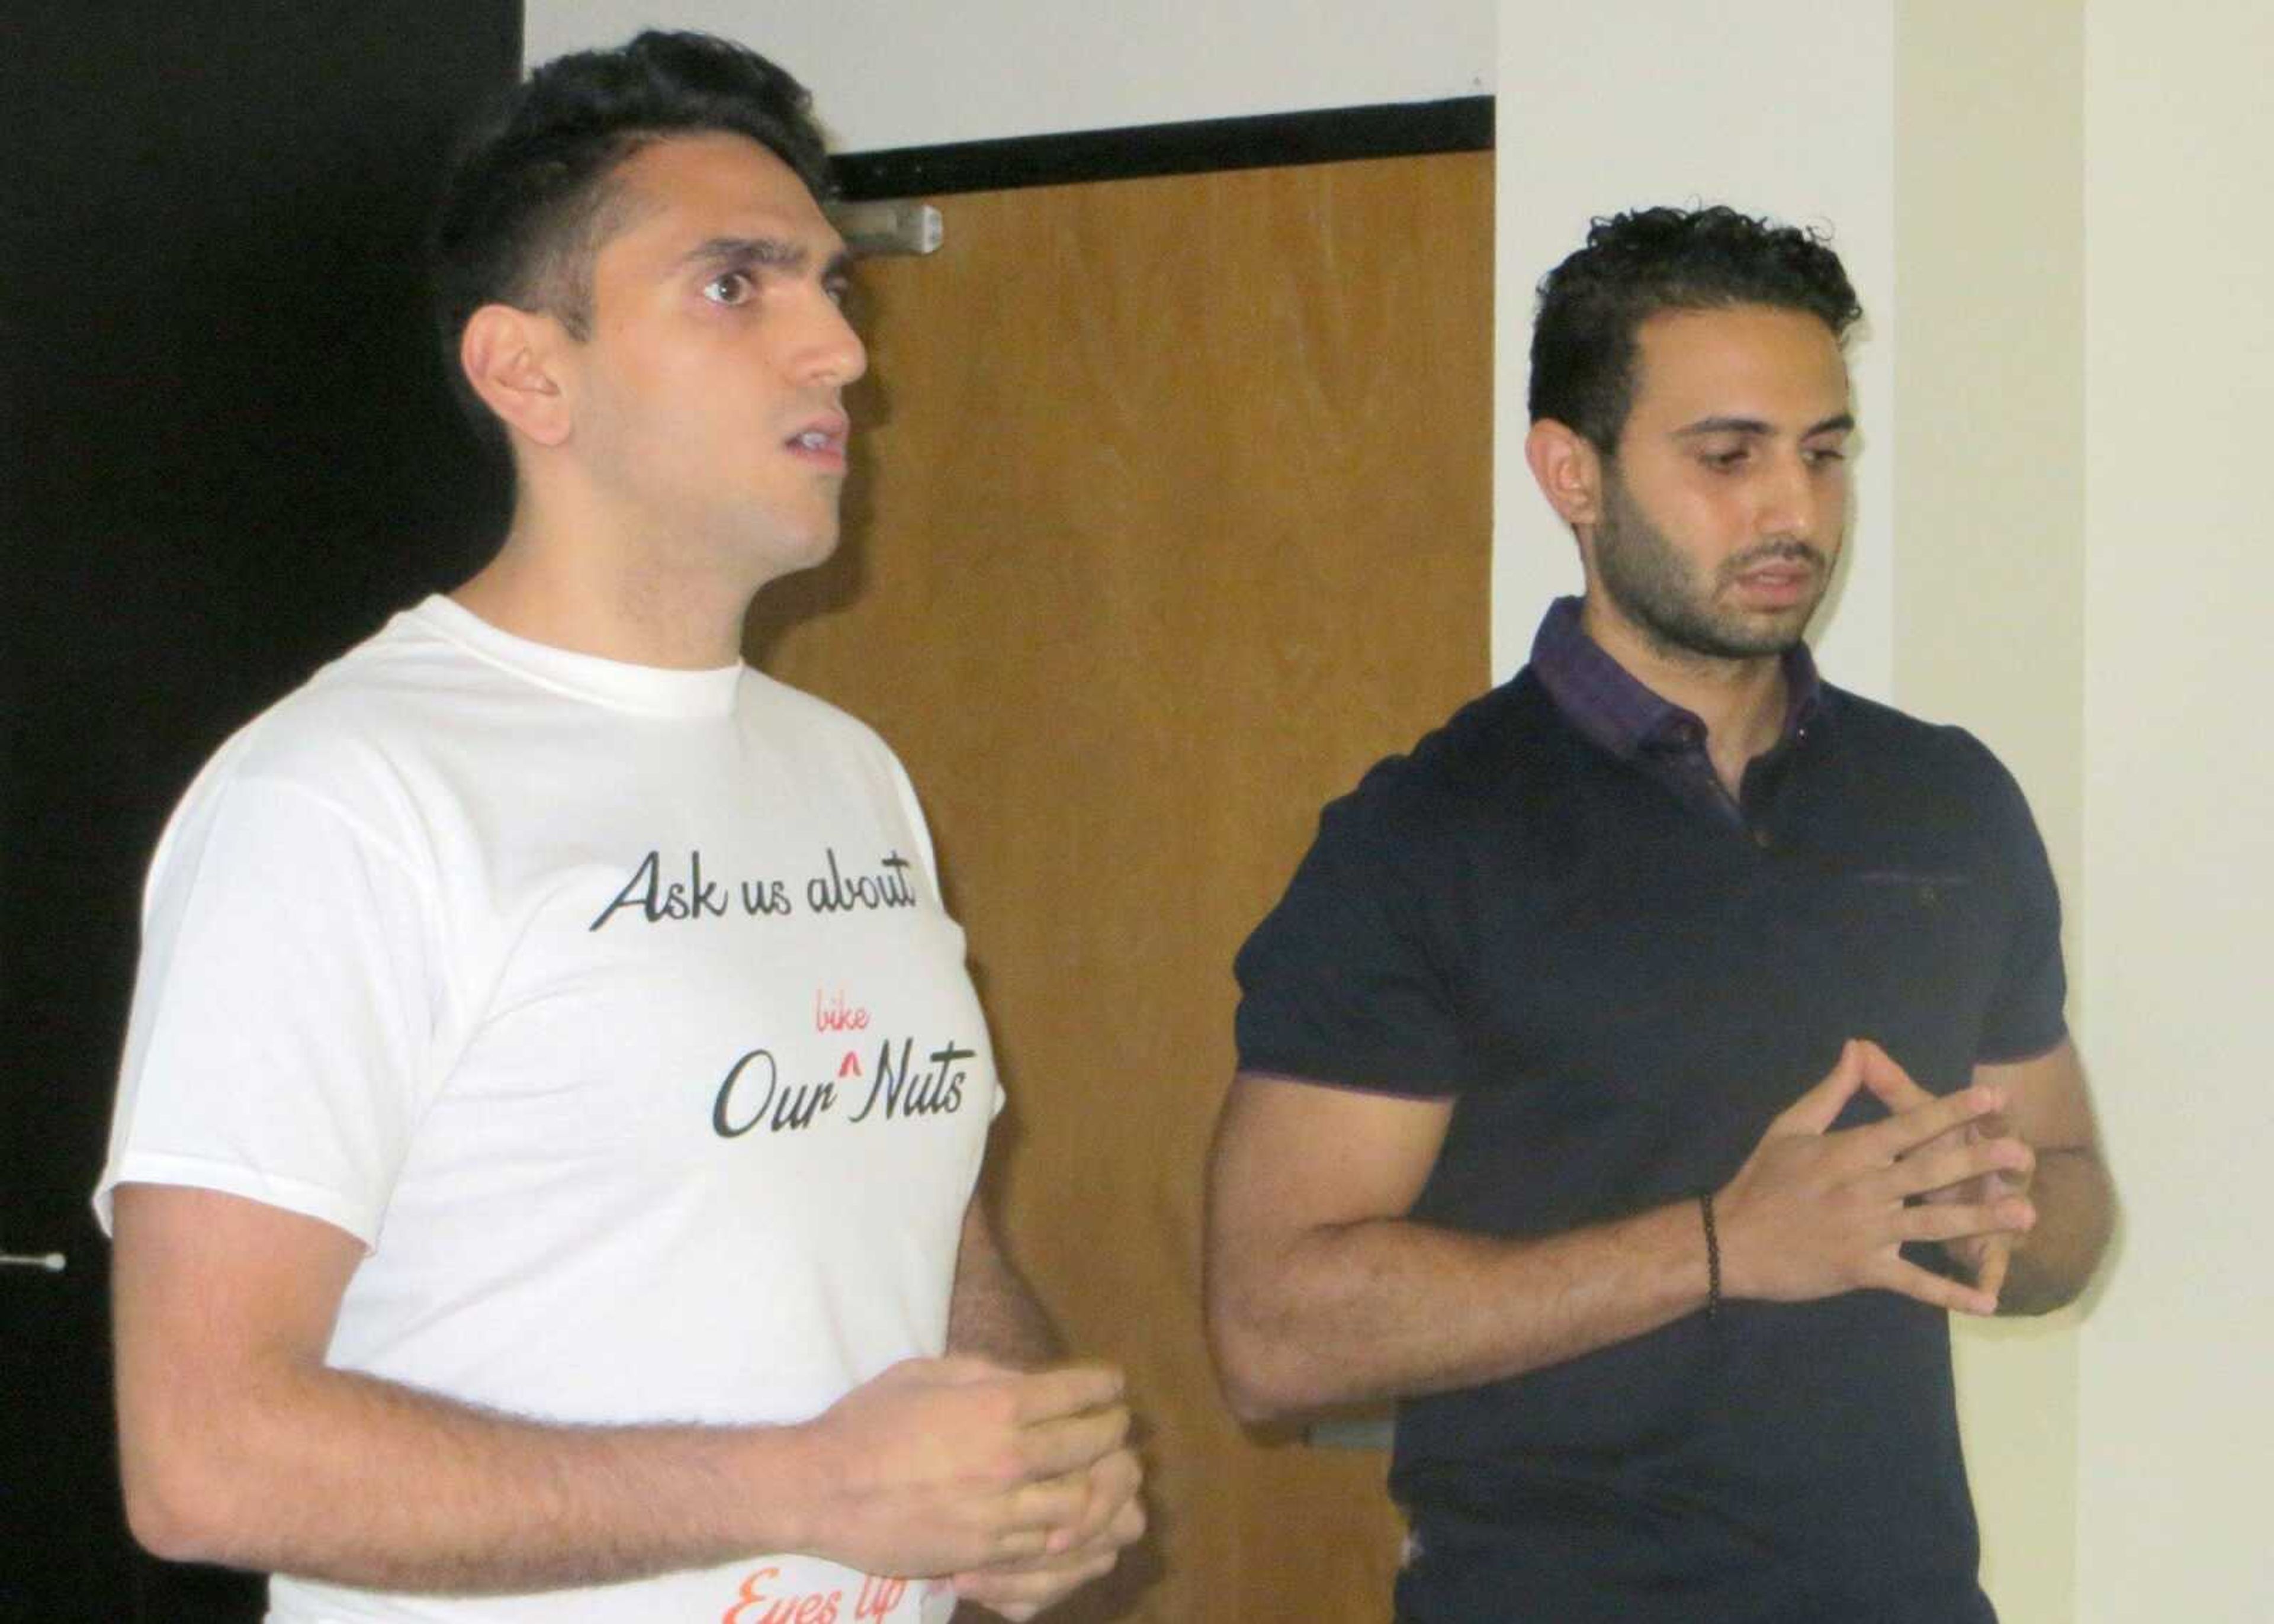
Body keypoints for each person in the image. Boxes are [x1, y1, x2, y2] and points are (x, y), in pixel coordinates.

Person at [97, 31, 1141, 1624]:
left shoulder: (851, 773)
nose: (838, 353)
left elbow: (909, 1212)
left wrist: (1020, 1471)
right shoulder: (344, 798)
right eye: (738, 286)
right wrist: (808, 1485)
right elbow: (206, 1458)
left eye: (832, 289)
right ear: (530, 370)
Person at [1203, 204, 2114, 1622]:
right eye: (1727, 456)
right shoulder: (1426, 838)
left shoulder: (1946, 800)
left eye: (1824, 454)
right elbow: (1272, 1331)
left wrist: (1998, 1206)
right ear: (1571, 471)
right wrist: (1723, 1245)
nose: (1793, 511)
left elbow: (2069, 1194)